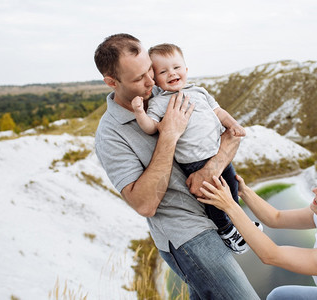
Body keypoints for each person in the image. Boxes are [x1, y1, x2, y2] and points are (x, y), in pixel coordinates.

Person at [94, 33, 259, 299]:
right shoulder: (110, 135)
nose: (151, 81)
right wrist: (169, 135)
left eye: (150, 69)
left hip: (217, 214)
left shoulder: (170, 89)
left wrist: (211, 168)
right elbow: (145, 205)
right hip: (187, 235)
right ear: (111, 82)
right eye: (138, 78)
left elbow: (229, 138)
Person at [131, 43, 260, 254]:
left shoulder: (199, 91)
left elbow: (219, 111)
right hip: (195, 160)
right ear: (155, 79)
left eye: (176, 67)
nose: (172, 73)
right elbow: (151, 127)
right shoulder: (159, 102)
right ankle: (226, 230)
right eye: (163, 71)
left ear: (186, 70)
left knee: (232, 186)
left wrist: (233, 124)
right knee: (213, 196)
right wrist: (139, 113)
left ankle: (239, 222)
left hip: (218, 152)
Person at [198, 169, 317, 300]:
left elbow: (271, 255)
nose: (315, 190)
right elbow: (276, 217)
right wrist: (244, 192)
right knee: (278, 296)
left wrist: (229, 206)